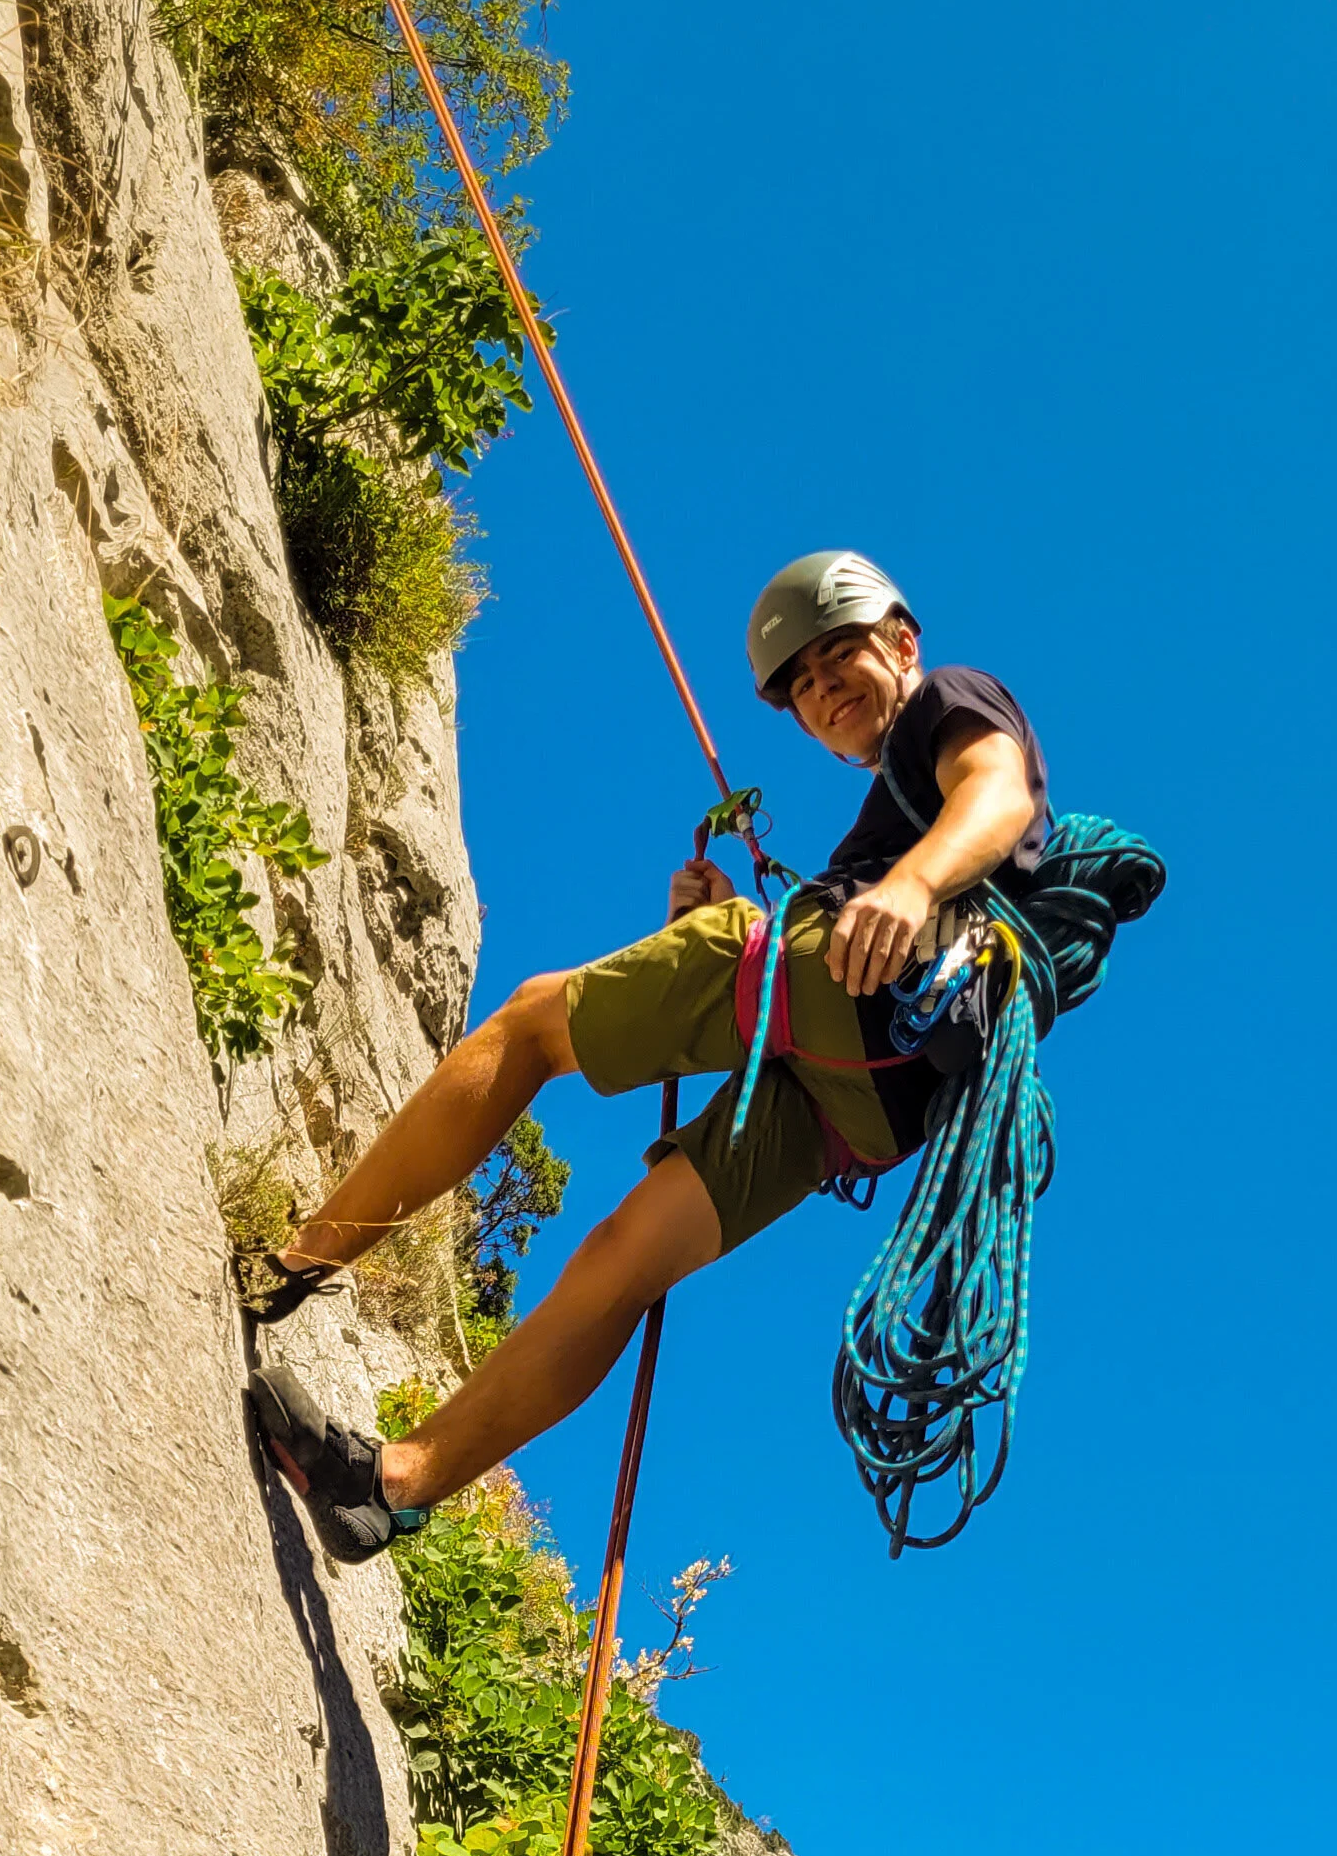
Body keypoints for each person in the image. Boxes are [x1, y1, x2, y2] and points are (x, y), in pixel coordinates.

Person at [246, 549, 1049, 1560]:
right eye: (800, 683)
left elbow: (998, 792)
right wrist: (737, 916)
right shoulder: (894, 814)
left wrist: (910, 886)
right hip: (875, 1102)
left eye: (839, 654)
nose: (822, 688)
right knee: (625, 1257)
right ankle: (393, 1485)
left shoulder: (951, 698)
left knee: (534, 1024)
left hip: (847, 985)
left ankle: (290, 1263)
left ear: (902, 642)